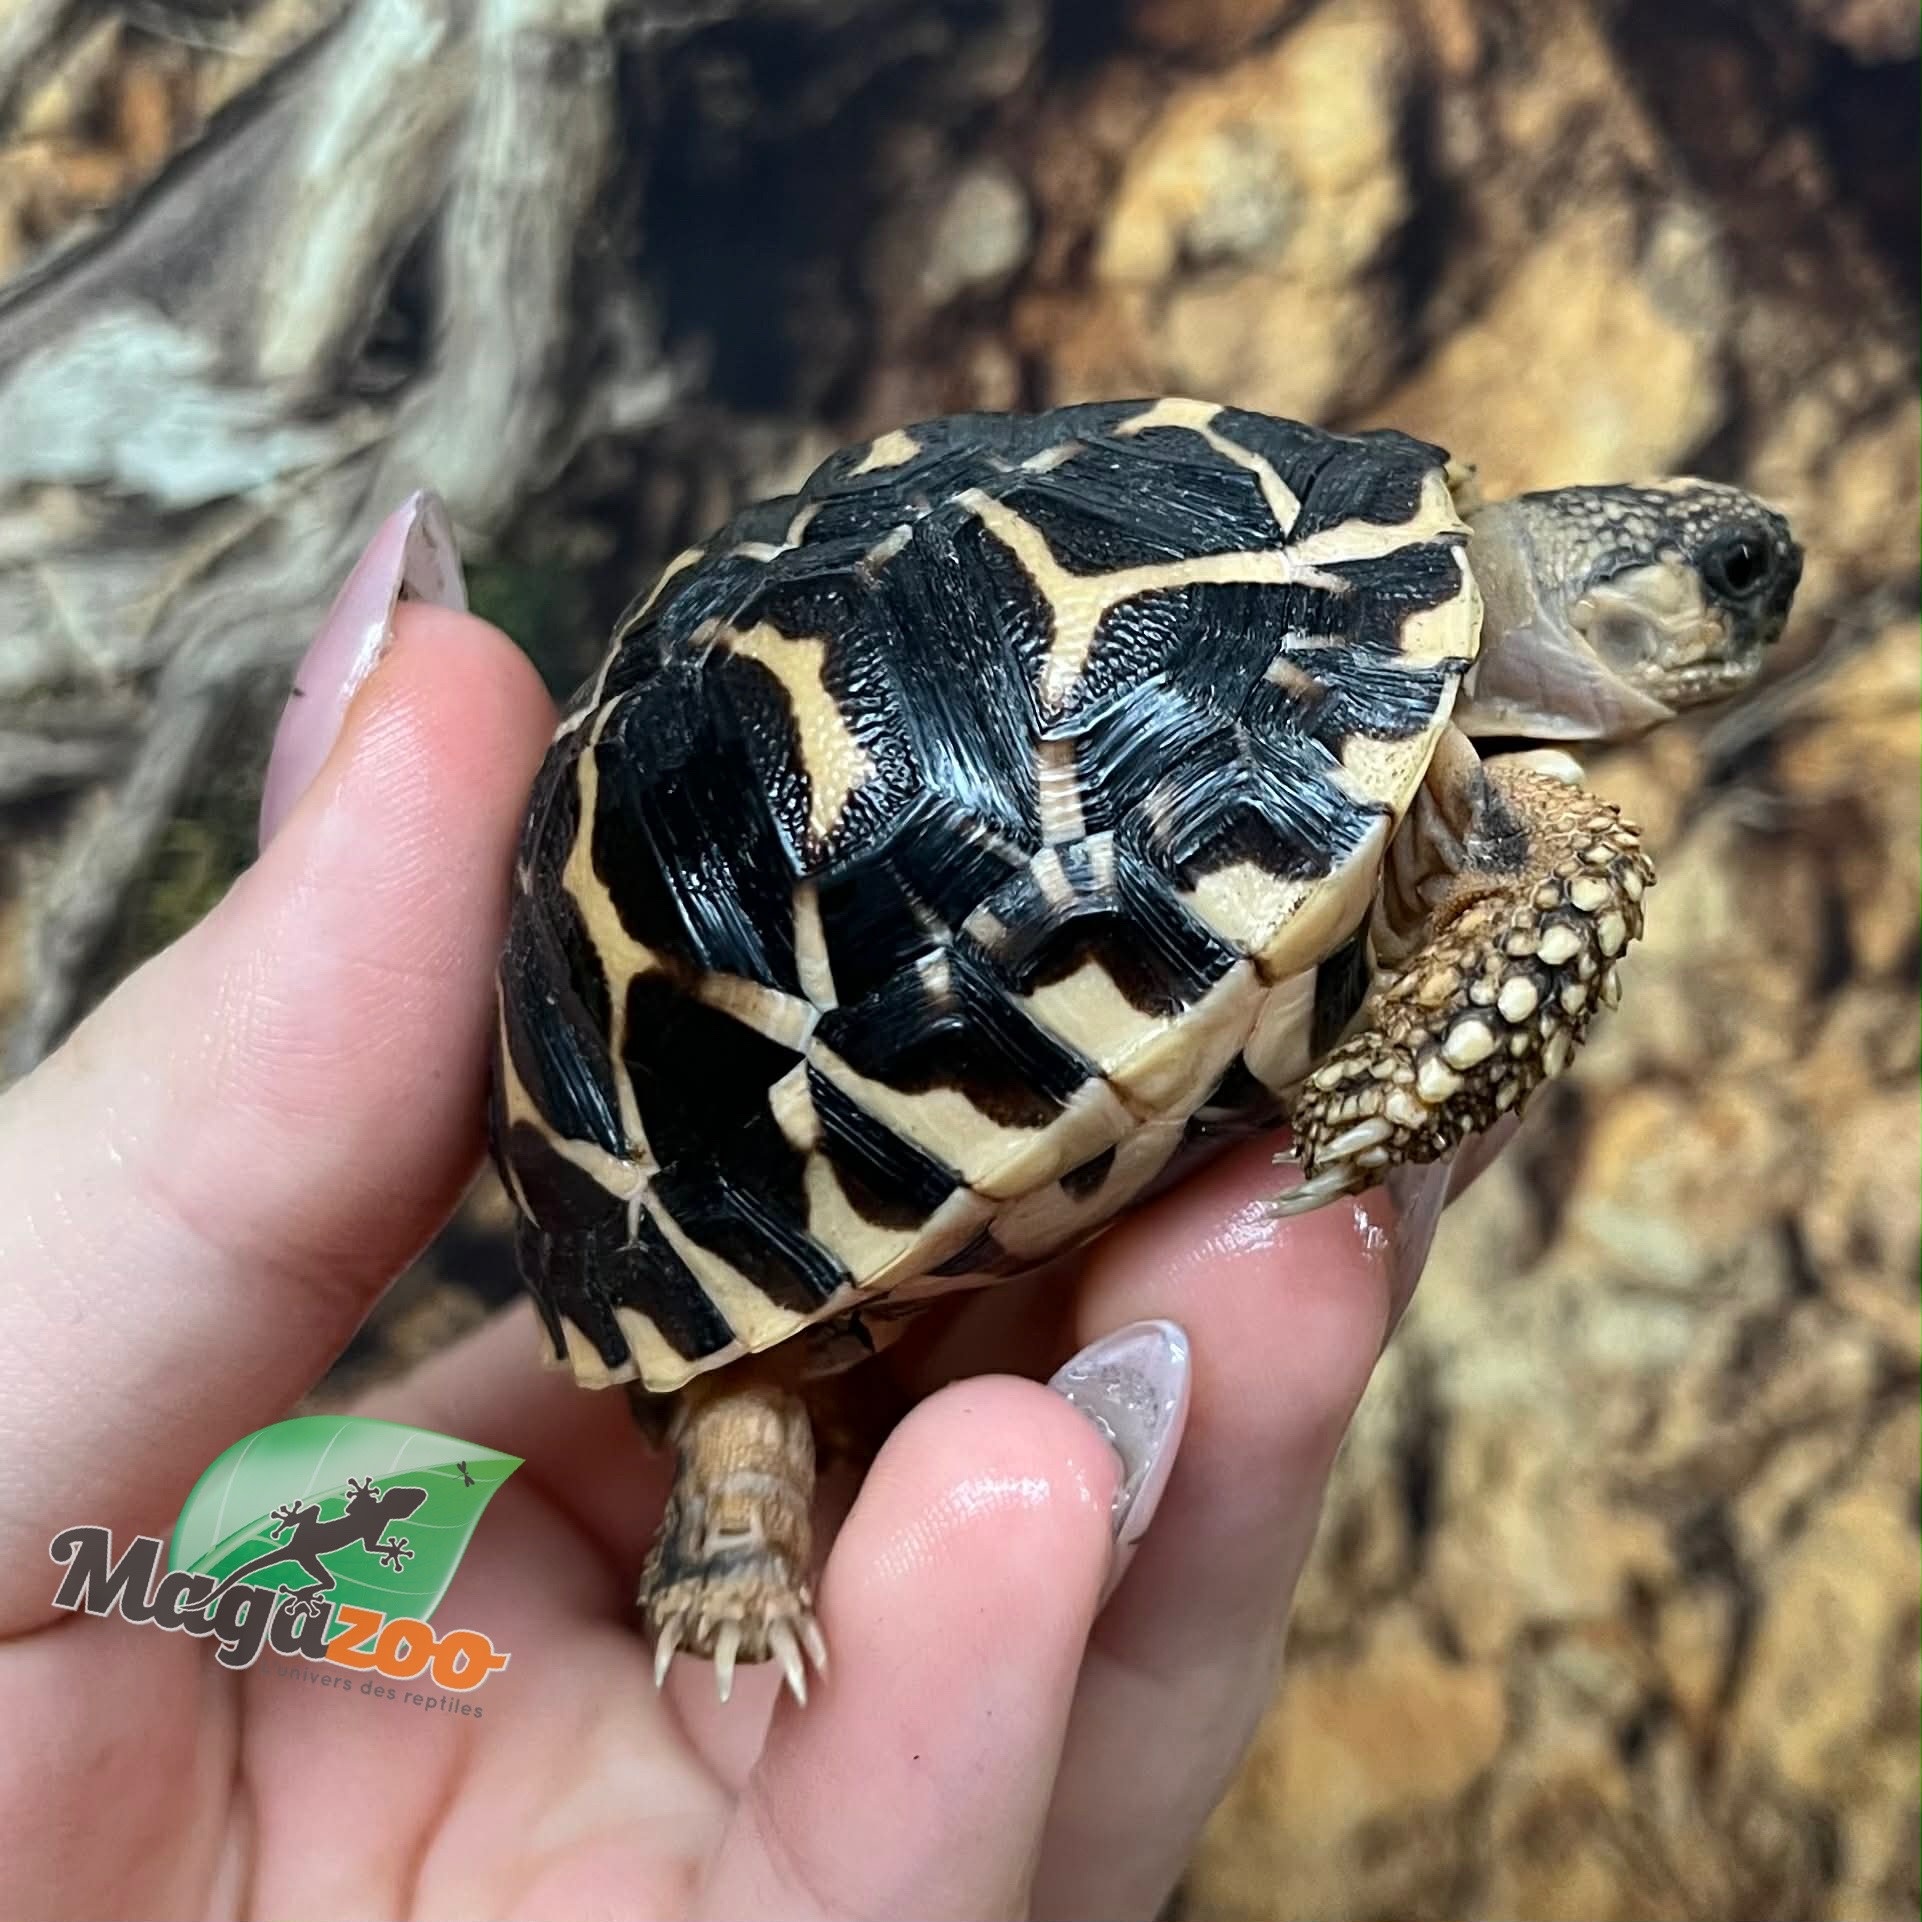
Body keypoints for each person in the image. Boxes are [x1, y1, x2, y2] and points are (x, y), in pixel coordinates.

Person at [0, 494, 1490, 1921]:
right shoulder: (1468, 775)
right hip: (720, 1071)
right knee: (752, 1396)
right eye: (1734, 582)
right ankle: (732, 1471)